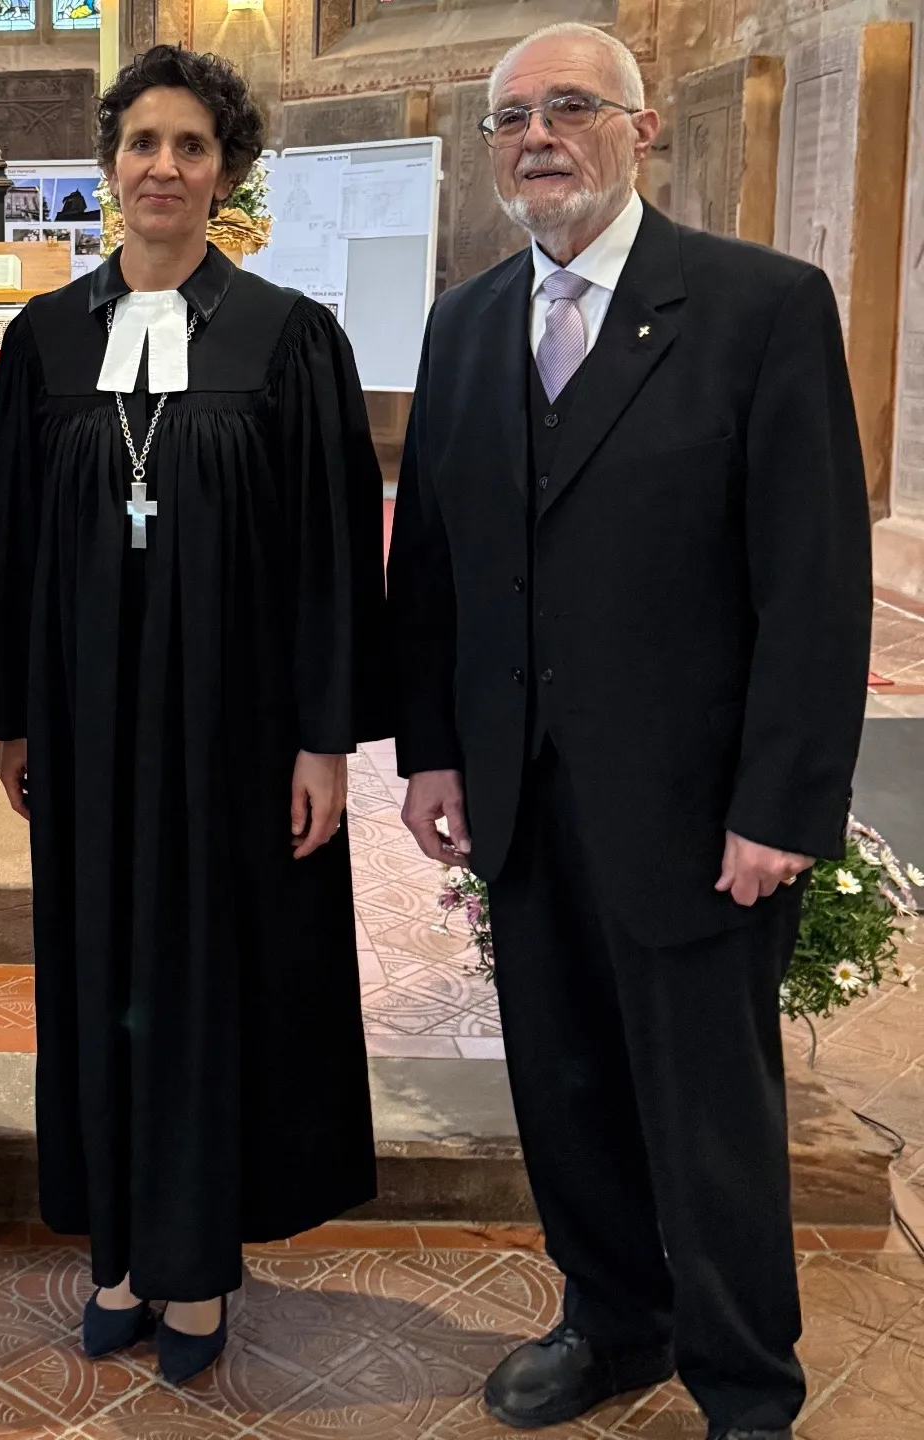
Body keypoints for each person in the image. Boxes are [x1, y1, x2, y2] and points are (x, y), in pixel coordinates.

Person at [388, 23, 871, 1440]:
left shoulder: (760, 306)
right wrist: (429, 751)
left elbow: (814, 580)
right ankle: (611, 1320)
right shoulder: (466, 322)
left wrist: (783, 806)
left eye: (572, 108)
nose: (539, 135)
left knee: (709, 1116)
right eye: (513, 116)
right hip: (528, 802)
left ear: (643, 129)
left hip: (696, 806)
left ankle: (743, 1382)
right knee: (566, 1088)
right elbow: (435, 564)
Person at [0, 44, 390, 1385]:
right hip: (90, 736)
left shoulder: (288, 335)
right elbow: (8, 543)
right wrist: (15, 720)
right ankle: (112, 1250)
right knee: (98, 974)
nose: (163, 168)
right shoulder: (47, 337)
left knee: (215, 981)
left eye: (191, 147)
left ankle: (200, 1263)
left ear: (228, 172)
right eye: (141, 144)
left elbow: (336, 549)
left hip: (234, 733)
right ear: (109, 166)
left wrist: (324, 737)